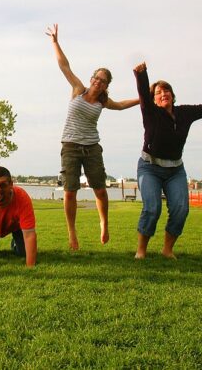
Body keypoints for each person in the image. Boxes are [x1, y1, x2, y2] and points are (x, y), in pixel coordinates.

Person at [46, 24, 139, 250]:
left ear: (107, 85)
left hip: (92, 147)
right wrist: (55, 42)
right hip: (70, 146)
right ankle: (72, 233)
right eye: (96, 77)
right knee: (70, 191)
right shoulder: (78, 89)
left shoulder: (103, 102)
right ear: (92, 78)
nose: (98, 81)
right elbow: (64, 66)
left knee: (100, 189)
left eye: (103, 80)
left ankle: (104, 223)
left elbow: (121, 105)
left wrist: (142, 99)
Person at [133, 62, 202, 259]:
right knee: (152, 208)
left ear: (173, 96)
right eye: (158, 93)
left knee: (181, 208)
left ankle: (167, 249)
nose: (163, 94)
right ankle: (141, 251)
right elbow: (142, 93)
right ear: (153, 99)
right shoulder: (150, 112)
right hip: (149, 167)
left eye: (167, 91)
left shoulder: (184, 113)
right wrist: (141, 74)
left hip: (175, 170)